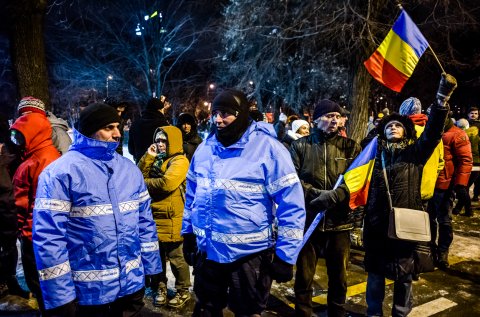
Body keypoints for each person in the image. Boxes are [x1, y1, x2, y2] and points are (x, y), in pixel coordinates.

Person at [181, 89, 306, 316]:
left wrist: (286, 256)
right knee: (206, 309)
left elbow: (292, 204)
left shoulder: (269, 149)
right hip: (208, 252)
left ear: (240, 115)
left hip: (249, 257)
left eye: (226, 113)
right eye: (215, 113)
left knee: (247, 312)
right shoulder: (205, 149)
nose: (218, 119)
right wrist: (188, 233)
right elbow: (192, 195)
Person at [32, 103, 162, 316]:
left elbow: (145, 223)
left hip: (131, 289)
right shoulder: (60, 173)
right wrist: (60, 296)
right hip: (88, 295)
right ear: (90, 129)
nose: (117, 134)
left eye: (118, 127)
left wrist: (152, 266)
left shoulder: (129, 170)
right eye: (109, 128)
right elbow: (49, 238)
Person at [363, 74, 455, 317]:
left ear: (407, 133)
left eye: (398, 125)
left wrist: (441, 101)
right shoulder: (372, 155)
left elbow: (433, 133)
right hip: (376, 226)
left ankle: (400, 314)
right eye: (389, 125)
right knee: (375, 277)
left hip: (406, 226)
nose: (393, 127)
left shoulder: (414, 154)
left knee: (404, 277)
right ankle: (374, 313)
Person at [289, 99, 361, 317]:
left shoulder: (350, 147)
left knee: (339, 275)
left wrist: (337, 195)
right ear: (316, 119)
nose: (334, 120)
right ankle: (303, 311)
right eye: (329, 116)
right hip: (309, 220)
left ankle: (336, 311)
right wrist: (316, 195)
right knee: (304, 273)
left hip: (339, 221)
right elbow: (291, 179)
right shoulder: (301, 146)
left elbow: (357, 179)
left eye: (337, 117)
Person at [11, 97, 62, 312]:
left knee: (40, 282)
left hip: (34, 234)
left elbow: (28, 203)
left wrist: (23, 229)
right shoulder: (44, 155)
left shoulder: (37, 161)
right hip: (41, 233)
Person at [138, 126, 192, 308]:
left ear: (173, 142)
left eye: (164, 141)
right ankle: (160, 286)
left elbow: (166, 184)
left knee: (176, 257)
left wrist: (144, 184)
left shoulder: (180, 161)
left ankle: (183, 289)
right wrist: (148, 157)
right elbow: (137, 175)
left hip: (171, 217)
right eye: (158, 140)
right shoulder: (156, 159)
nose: (160, 144)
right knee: (157, 257)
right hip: (153, 215)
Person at [428, 110, 472, 269]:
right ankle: (430, 248)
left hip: (445, 186)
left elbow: (466, 160)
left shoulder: (457, 134)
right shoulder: (430, 130)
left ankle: (442, 251)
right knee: (428, 219)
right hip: (428, 184)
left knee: (444, 220)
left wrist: (460, 184)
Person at [0, 113, 28, 299]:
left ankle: (8, 281)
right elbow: (5, 195)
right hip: (6, 217)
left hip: (7, 219)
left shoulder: (9, 158)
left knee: (8, 249)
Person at [399, 97, 445, 207]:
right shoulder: (435, 135)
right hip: (426, 189)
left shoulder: (404, 132)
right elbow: (440, 163)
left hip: (405, 191)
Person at [129, 97, 170, 163]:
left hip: (140, 163)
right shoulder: (163, 124)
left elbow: (131, 149)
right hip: (158, 164)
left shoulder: (136, 124)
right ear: (159, 110)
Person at [453, 119, 479, 216]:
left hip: (468, 164)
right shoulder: (476, 136)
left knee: (461, 188)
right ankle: (458, 209)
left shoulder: (462, 136)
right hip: (476, 165)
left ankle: (468, 210)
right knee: (464, 188)